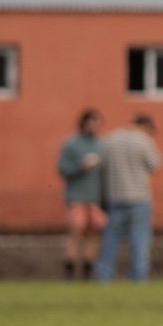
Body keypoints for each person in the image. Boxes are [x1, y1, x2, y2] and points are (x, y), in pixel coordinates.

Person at [95, 114, 163, 283]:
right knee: (139, 239)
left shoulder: (110, 139)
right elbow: (156, 164)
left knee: (111, 239)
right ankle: (138, 277)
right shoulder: (144, 141)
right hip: (139, 197)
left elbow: (100, 165)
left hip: (115, 197)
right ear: (146, 127)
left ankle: (104, 277)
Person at [56, 109, 105, 280]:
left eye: (96, 123)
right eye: (90, 122)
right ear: (83, 123)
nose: (93, 126)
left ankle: (87, 272)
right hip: (77, 197)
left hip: (95, 199)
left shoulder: (102, 145)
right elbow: (62, 169)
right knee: (76, 233)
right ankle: (69, 272)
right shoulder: (71, 144)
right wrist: (80, 167)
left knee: (93, 235)